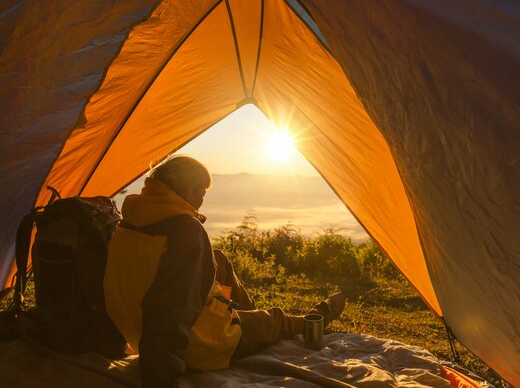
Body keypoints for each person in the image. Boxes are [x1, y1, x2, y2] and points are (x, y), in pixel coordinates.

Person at [103, 156, 345, 388]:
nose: (202, 200)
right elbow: (171, 314)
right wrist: (161, 379)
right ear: (188, 191)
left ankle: (249, 318)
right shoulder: (185, 230)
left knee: (218, 259)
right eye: (202, 193)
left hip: (135, 330)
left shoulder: (133, 218)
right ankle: (314, 319)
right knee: (276, 320)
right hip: (198, 344)